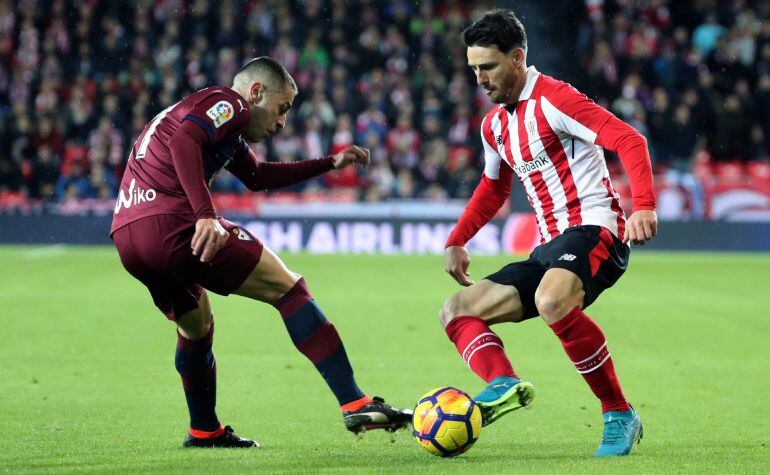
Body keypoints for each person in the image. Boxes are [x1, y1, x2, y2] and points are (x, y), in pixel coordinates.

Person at [110, 57, 412, 448]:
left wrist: (328, 163)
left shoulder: (221, 129)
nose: (282, 122)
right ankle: (355, 401)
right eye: (281, 108)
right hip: (172, 222)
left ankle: (204, 430)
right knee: (289, 290)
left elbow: (257, 177)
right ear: (256, 92)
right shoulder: (231, 104)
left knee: (196, 324)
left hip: (128, 233)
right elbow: (184, 141)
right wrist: (205, 216)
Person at [439, 10, 657, 457]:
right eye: (474, 69)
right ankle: (503, 383)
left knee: (552, 300)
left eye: (488, 67)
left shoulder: (556, 98)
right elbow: (494, 186)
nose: (479, 78)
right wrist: (458, 238)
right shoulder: (494, 125)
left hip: (596, 228)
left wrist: (645, 206)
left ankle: (619, 413)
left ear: (517, 58)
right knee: (457, 310)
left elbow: (629, 140)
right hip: (549, 245)